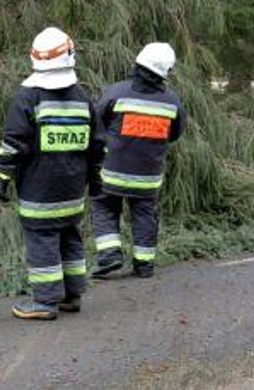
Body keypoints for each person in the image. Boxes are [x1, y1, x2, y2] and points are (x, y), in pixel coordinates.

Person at [0, 27, 105, 320]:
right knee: (69, 236)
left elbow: (12, 146)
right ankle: (72, 295)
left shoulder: (28, 97)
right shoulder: (82, 97)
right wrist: (97, 183)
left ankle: (45, 302)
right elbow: (98, 146)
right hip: (72, 190)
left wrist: (2, 182)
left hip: (38, 190)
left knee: (42, 239)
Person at [91, 43, 186, 279]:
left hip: (112, 172)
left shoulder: (116, 92)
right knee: (145, 215)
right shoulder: (172, 101)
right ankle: (144, 265)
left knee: (104, 207)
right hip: (149, 175)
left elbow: (96, 123)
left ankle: (110, 255)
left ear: (138, 64)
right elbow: (175, 133)